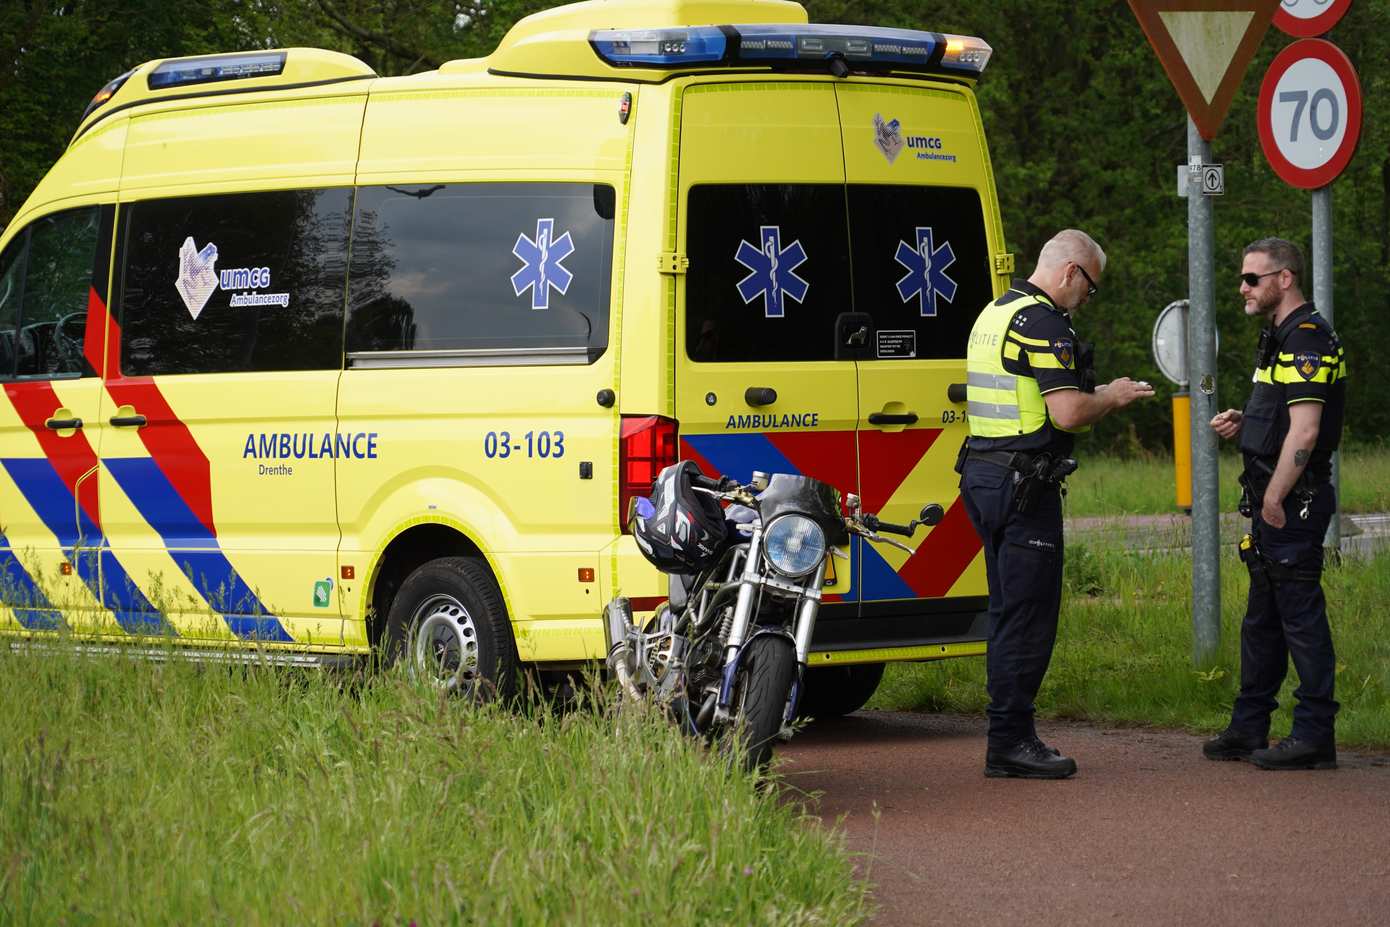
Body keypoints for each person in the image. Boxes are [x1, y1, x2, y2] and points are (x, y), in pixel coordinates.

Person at [958, 229, 1153, 779]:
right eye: (1090, 288)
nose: (1089, 299)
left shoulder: (994, 311)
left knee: (1006, 610)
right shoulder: (1044, 323)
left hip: (984, 475)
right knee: (1029, 616)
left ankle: (1008, 734)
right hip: (1024, 485)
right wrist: (1111, 396)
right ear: (1070, 272)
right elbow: (1067, 413)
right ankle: (1011, 741)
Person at [1203, 238, 1346, 771]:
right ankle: (1249, 727)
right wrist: (1250, 424)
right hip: (1274, 496)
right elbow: (1289, 417)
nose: (1243, 287)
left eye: (1252, 279)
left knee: (1300, 619)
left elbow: (1307, 430)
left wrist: (1276, 497)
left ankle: (1313, 735)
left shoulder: (1306, 337)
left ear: (1284, 279)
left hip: (1292, 501)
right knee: (1262, 619)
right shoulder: (1280, 337)